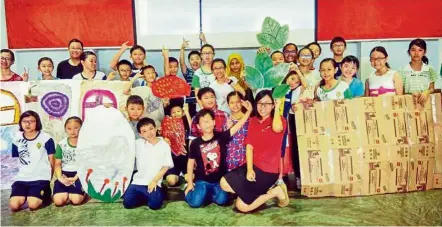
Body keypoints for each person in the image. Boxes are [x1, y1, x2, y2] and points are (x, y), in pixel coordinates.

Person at [220, 90, 289, 213]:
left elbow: (277, 129)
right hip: (253, 166)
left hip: (268, 171)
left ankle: (274, 192)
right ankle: (256, 193)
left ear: (273, 105)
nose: (263, 107)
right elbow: (249, 146)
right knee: (223, 183)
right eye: (260, 103)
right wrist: (250, 169)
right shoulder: (253, 121)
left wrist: (278, 108)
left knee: (242, 207)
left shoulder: (280, 120)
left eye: (267, 103)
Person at [185, 100, 252, 208]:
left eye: (209, 120)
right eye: (204, 122)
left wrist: (248, 112)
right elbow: (190, 163)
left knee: (222, 201)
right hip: (202, 180)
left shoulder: (221, 137)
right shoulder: (195, 143)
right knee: (195, 203)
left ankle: (207, 194)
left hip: (218, 181)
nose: (207, 124)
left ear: (214, 122)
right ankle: (192, 193)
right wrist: (189, 184)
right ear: (198, 126)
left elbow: (238, 126)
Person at [123, 118, 173, 210]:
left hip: (154, 182)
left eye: (151, 129)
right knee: (127, 203)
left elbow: (166, 166)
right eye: (144, 131)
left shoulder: (164, 145)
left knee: (154, 205)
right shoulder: (137, 144)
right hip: (138, 181)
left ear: (155, 128)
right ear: (140, 134)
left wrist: (154, 181)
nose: (149, 133)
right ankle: (147, 196)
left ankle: (159, 192)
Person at [9, 111, 55, 212]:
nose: (27, 124)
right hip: (22, 178)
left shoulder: (46, 138)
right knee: (14, 206)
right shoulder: (16, 138)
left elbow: (52, 159)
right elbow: (16, 160)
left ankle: (45, 192)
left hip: (40, 177)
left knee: (33, 205)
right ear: (21, 123)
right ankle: (26, 193)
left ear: (37, 122)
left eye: (31, 121)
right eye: (24, 121)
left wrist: (49, 179)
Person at [52, 117, 85, 206]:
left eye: (76, 128)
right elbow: (57, 164)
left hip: (79, 174)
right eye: (69, 128)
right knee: (58, 201)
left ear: (82, 128)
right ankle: (65, 192)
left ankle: (83, 192)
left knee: (76, 200)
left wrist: (75, 178)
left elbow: (87, 165)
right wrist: (60, 178)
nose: (72, 131)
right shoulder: (61, 144)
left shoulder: (85, 144)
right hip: (64, 174)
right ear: (65, 129)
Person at [398, 39, 438, 104]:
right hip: (408, 104)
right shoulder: (401, 70)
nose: (416, 53)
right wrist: (410, 95)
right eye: (413, 50)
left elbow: (432, 88)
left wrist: (426, 92)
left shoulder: (430, 69)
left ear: (424, 52)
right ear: (409, 52)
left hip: (425, 105)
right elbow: (400, 92)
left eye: (420, 50)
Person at [162, 103, 192, 186]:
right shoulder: (166, 124)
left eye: (178, 111)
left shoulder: (186, 122)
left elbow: (193, 129)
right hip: (173, 159)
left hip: (186, 158)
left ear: (183, 113)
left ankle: (183, 176)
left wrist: (187, 112)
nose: (176, 113)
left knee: (190, 178)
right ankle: (177, 176)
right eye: (173, 112)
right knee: (171, 181)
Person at [225, 91, 250, 171]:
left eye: (238, 102)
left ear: (242, 102)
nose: (235, 105)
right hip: (229, 159)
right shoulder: (226, 120)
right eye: (232, 102)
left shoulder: (250, 121)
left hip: (245, 159)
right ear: (228, 104)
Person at [192, 44, 216, 109]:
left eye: (209, 53)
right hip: (202, 110)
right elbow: (197, 95)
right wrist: (203, 110)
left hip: (218, 109)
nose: (207, 55)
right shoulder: (197, 73)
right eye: (205, 53)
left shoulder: (218, 71)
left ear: (213, 55)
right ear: (201, 55)